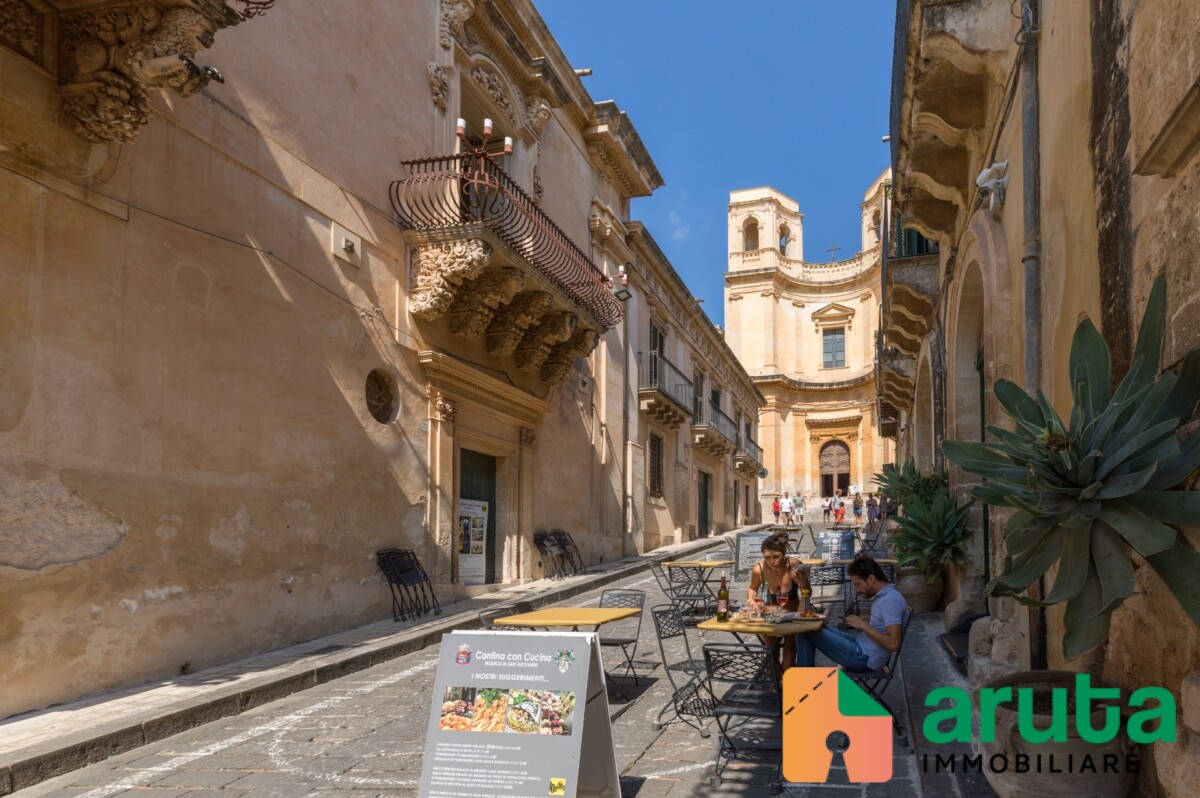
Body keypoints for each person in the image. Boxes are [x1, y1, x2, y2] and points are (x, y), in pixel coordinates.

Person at [794, 556, 907, 671]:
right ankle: (805, 679)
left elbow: (893, 644)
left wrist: (863, 625)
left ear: (871, 579)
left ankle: (803, 682)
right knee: (813, 626)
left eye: (858, 584)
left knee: (804, 630)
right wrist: (860, 626)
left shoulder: (890, 600)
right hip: (861, 646)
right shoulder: (885, 596)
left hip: (864, 657)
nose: (857, 590)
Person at [747, 533, 812, 672]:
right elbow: (752, 588)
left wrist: (803, 583)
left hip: (792, 615)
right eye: (767, 557)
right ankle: (775, 685)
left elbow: (808, 593)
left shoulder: (793, 565)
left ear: (784, 553)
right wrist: (751, 599)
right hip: (770, 616)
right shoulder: (759, 569)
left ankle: (786, 683)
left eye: (776, 556)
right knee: (771, 651)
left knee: (790, 650)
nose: (772, 561)